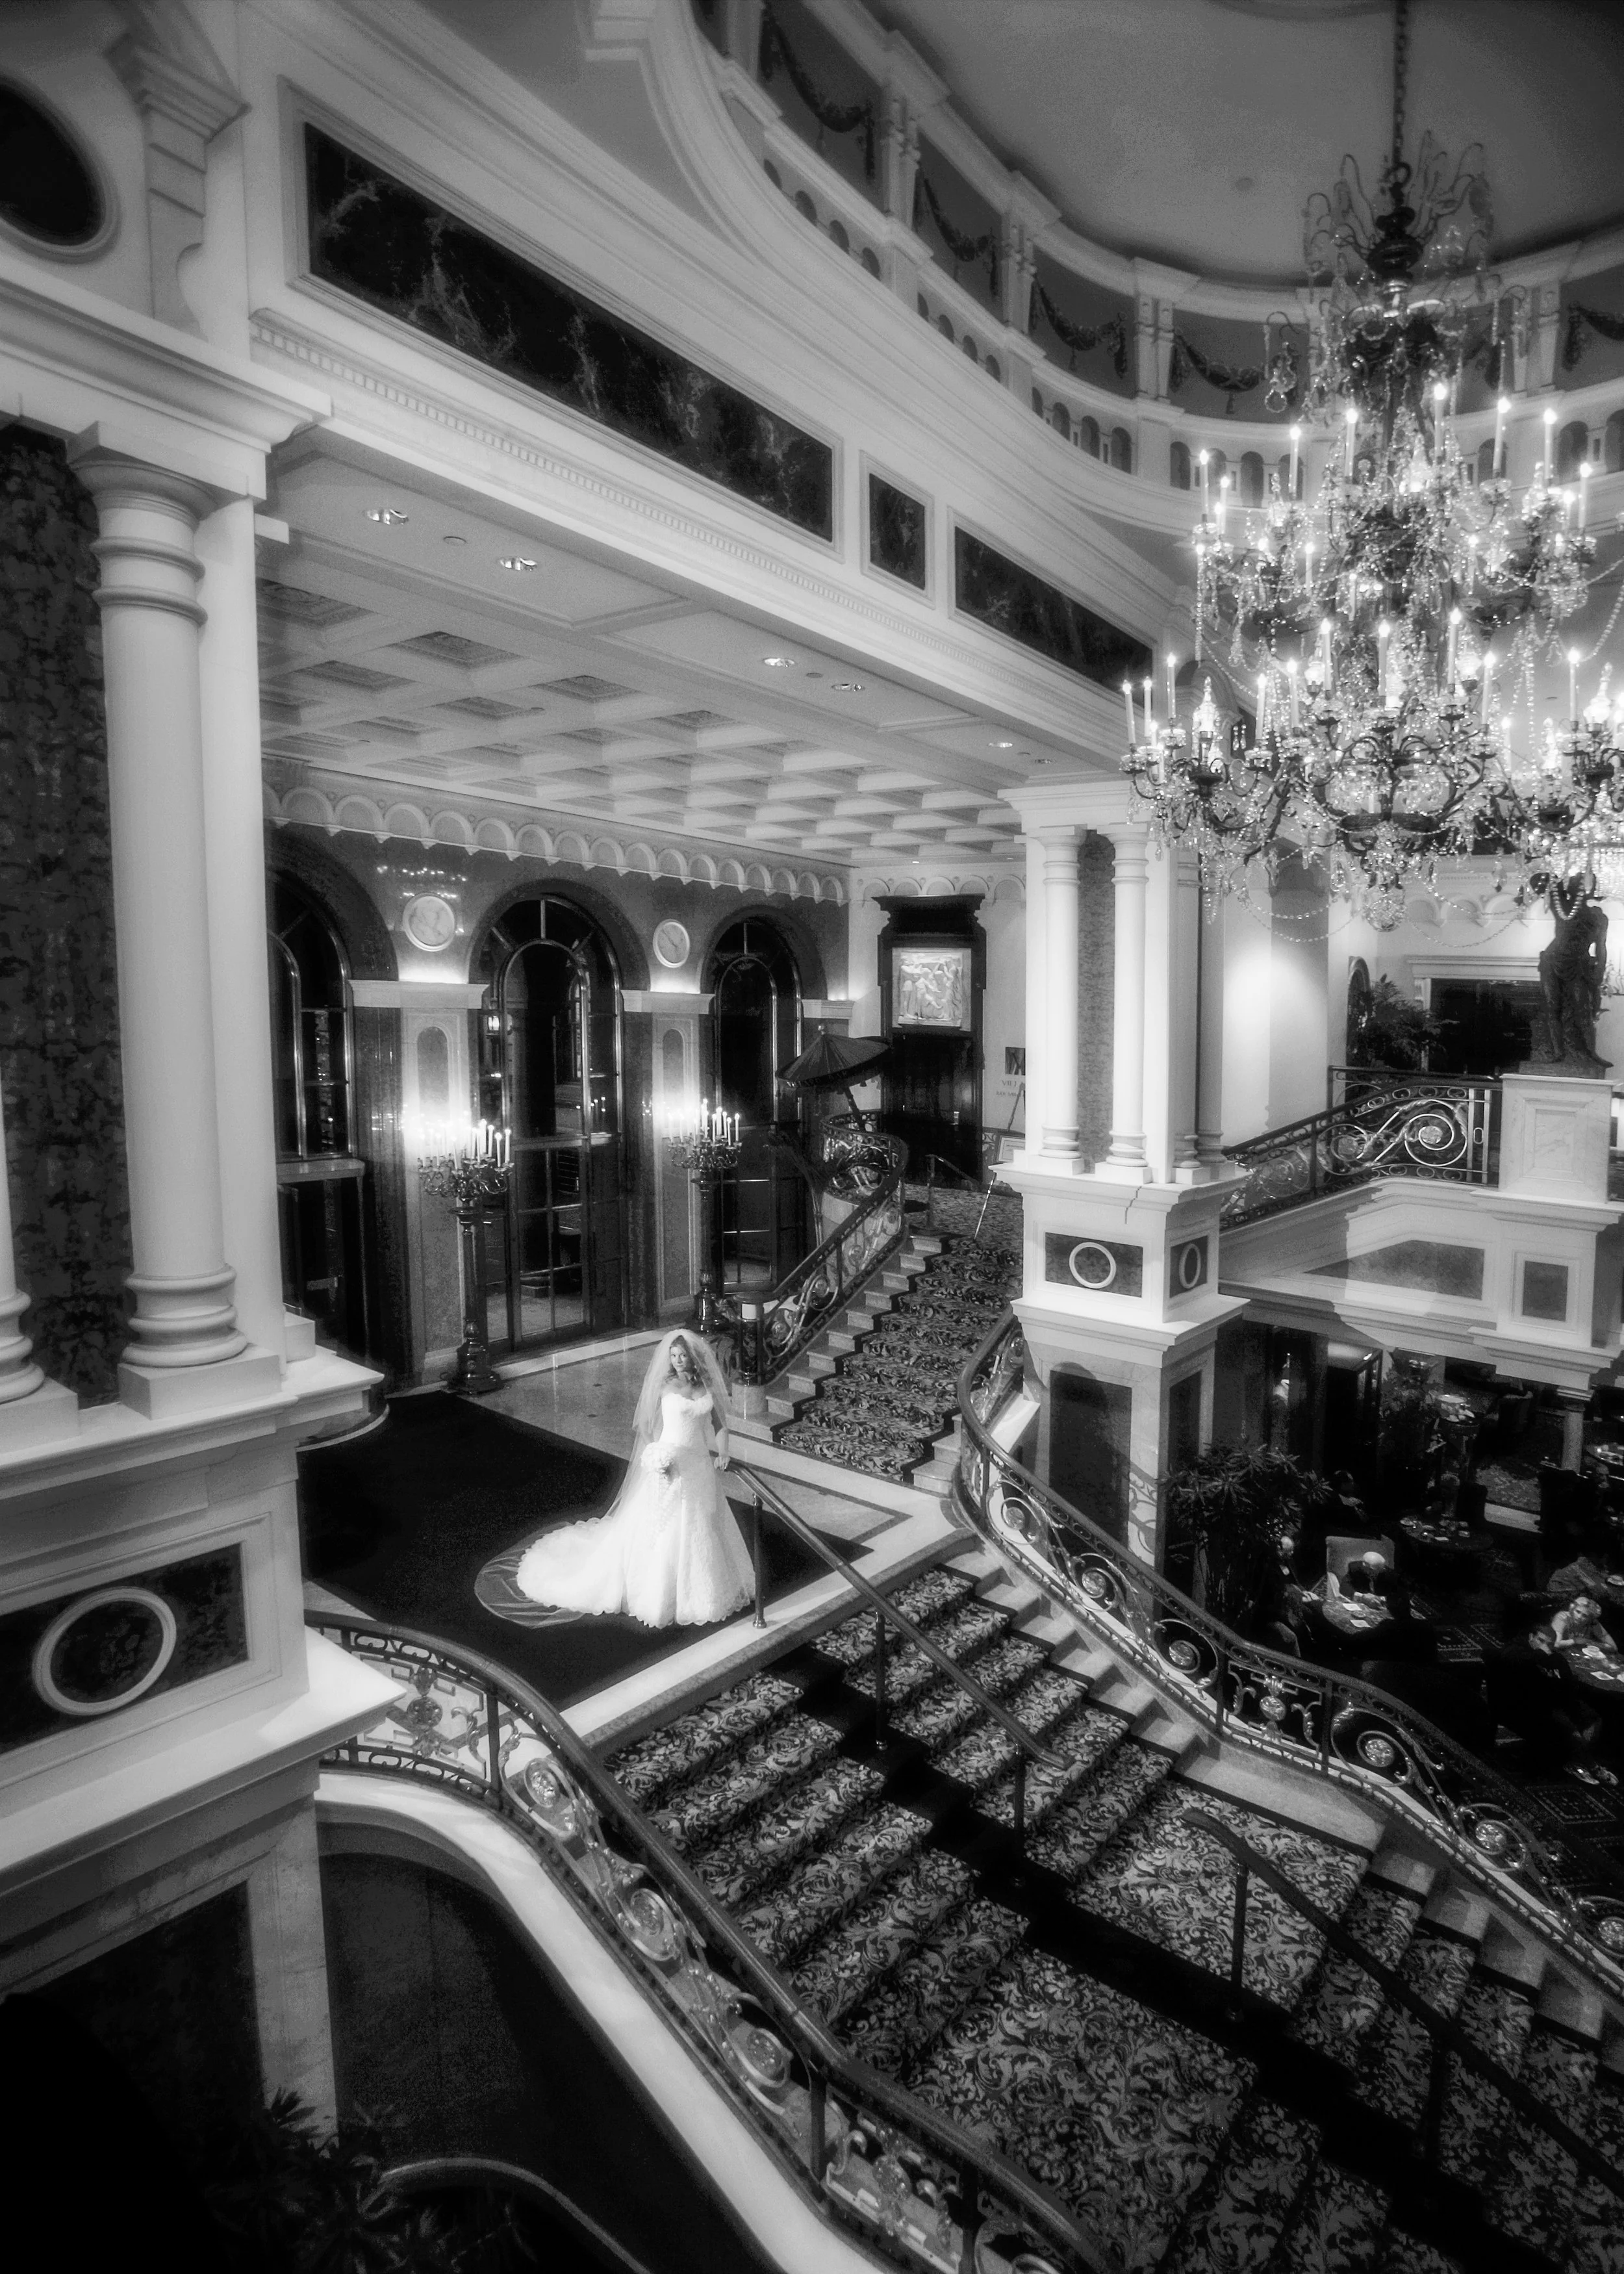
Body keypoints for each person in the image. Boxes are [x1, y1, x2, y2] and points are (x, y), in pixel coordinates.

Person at [514, 1330, 755, 1627]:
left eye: (683, 1356)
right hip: (671, 1463)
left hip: (699, 1466)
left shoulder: (705, 1386)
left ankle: (705, 1588)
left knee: (703, 1520)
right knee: (666, 1525)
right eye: (674, 1356)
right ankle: (662, 1593)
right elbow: (646, 1426)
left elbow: (719, 1425)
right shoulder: (665, 1385)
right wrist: (657, 1457)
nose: (679, 1361)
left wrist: (723, 1452)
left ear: (694, 1358)